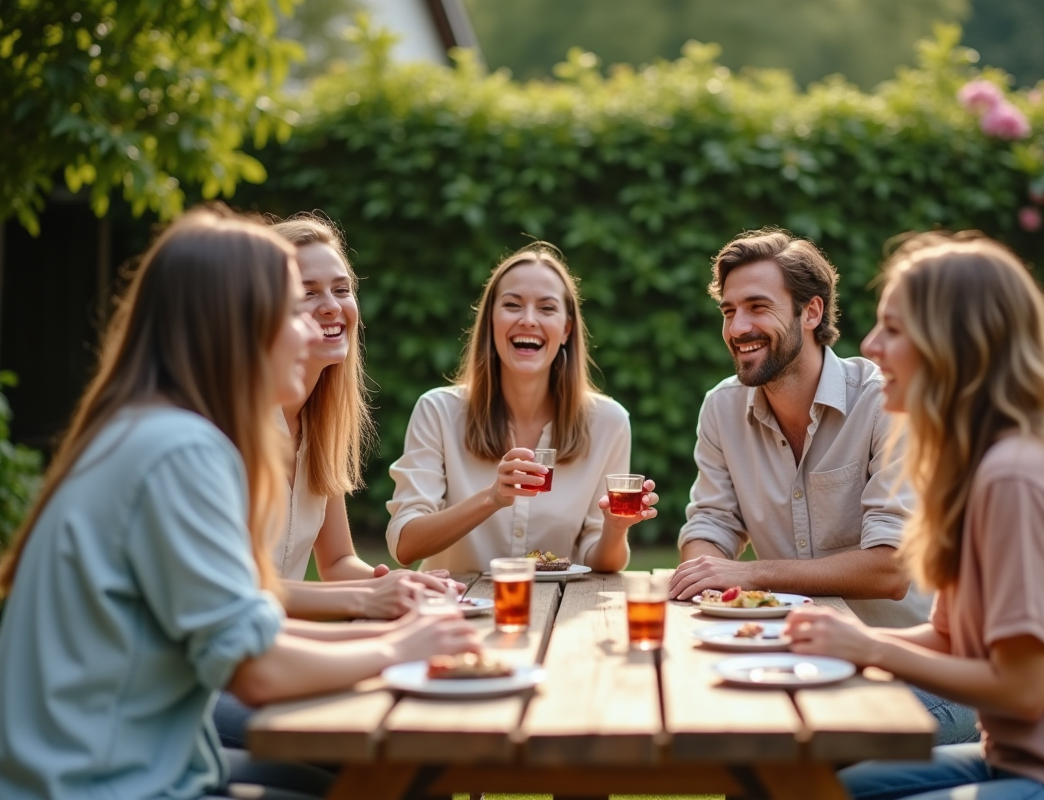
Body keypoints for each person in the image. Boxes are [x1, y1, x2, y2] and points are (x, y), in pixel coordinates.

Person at [0, 209, 478, 800]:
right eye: (291, 309)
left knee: (394, 771)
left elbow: (247, 633)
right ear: (233, 326)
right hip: (103, 784)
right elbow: (256, 670)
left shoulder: (150, 431)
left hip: (145, 766)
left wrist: (404, 633)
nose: (311, 332)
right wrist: (398, 647)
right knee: (396, 774)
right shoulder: (182, 451)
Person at [785, 233, 1044, 800]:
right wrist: (841, 638)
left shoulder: (1014, 477)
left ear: (957, 344)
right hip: (1023, 758)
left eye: (895, 329)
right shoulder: (973, 468)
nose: (871, 345)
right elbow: (952, 638)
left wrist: (870, 651)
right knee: (812, 788)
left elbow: (1023, 689)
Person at [669, 228, 977, 745]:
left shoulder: (885, 402)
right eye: (728, 311)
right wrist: (707, 574)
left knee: (791, 749)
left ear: (811, 313)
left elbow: (891, 568)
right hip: (799, 662)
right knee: (726, 730)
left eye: (757, 307)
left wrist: (751, 576)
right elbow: (711, 525)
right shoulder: (721, 408)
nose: (738, 327)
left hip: (925, 671)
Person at [386, 244, 658, 573]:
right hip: (455, 613)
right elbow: (405, 545)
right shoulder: (438, 412)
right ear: (491, 321)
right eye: (513, 305)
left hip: (559, 614)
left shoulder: (609, 423)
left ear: (566, 329)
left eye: (546, 308)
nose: (528, 320)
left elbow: (600, 561)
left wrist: (615, 528)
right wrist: (491, 498)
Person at [266, 213, 458, 621]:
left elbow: (336, 561)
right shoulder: (235, 425)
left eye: (342, 290)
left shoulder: (320, 423)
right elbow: (239, 591)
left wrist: (398, 584)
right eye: (308, 293)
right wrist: (370, 599)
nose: (333, 307)